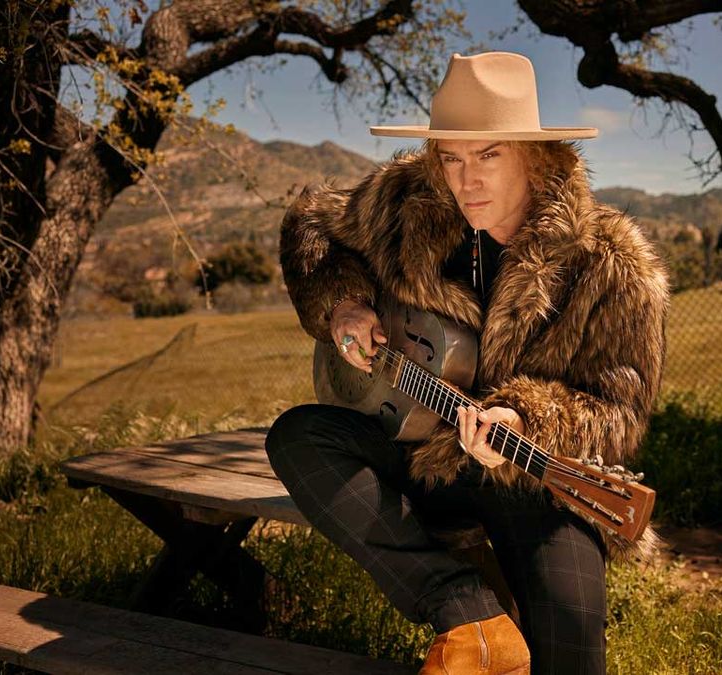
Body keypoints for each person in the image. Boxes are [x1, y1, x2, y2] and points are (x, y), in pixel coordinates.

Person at [267, 51, 670, 674]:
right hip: (414, 452)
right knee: (298, 437)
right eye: (450, 157)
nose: (466, 180)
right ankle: (464, 611)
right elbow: (309, 222)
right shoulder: (403, 204)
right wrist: (343, 303)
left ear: (535, 157)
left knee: (572, 655)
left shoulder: (610, 263)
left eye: (488, 155)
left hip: (530, 480)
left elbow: (618, 412)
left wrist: (525, 415)